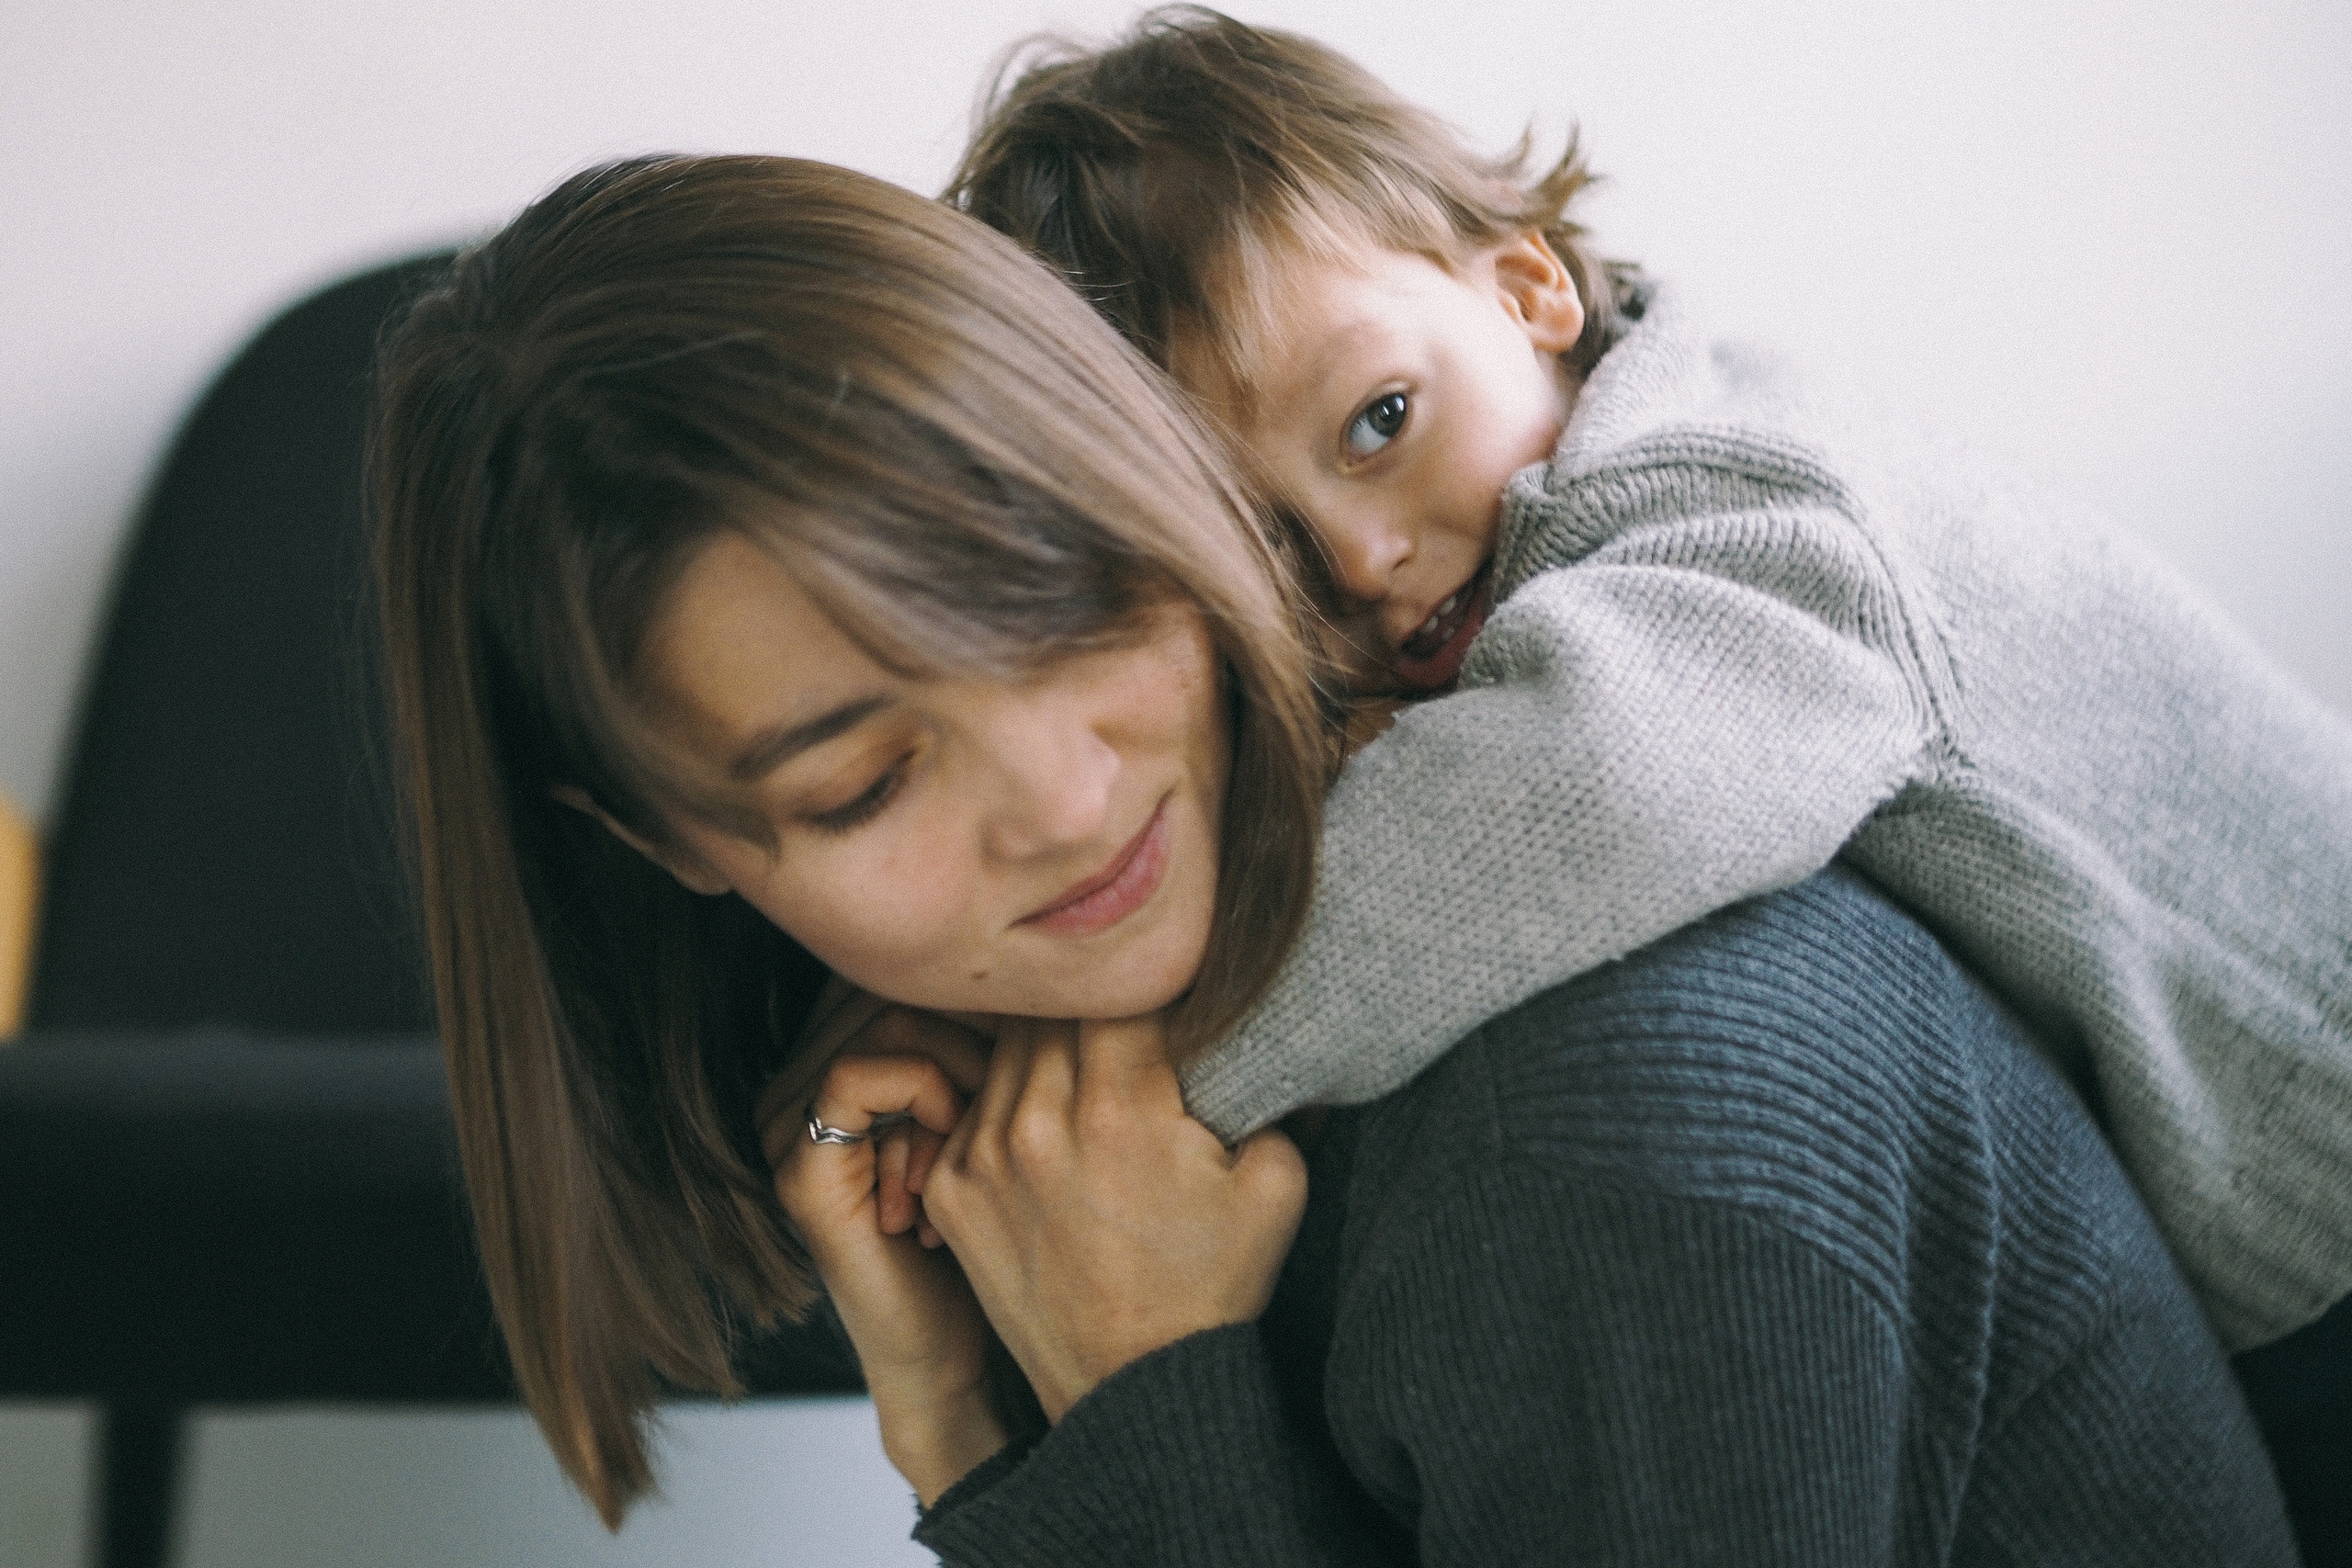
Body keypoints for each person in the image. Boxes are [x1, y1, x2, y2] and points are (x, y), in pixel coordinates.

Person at [369, 153, 2299, 1562]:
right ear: (663, 843)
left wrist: (1139, 1394)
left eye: (1065, 600)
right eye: (867, 783)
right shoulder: (1054, 1134)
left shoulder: (1598, 1100)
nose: (1064, 800)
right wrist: (967, 1417)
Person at [946, 6, 2352, 1359]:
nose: (1363, 561)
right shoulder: (1587, 484)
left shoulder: (1737, 502)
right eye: (1263, 554)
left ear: (1528, 288)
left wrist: (1115, 1087)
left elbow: (1588, 793)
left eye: (1380, 421)